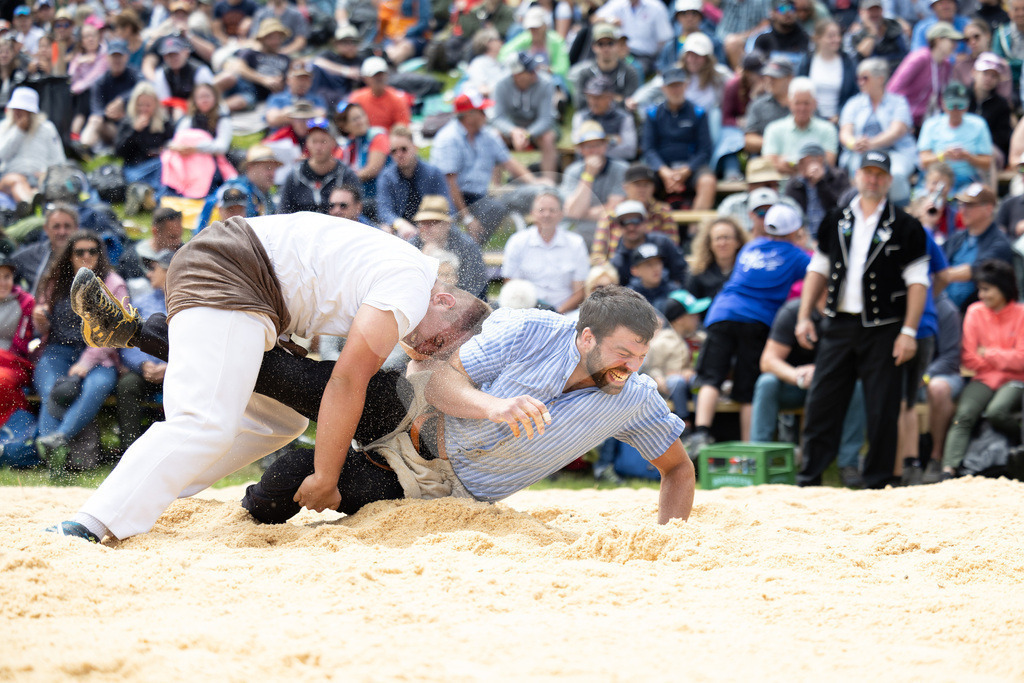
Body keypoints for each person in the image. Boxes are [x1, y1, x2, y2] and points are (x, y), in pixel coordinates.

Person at [51, 213, 492, 543]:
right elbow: (346, 383)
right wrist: (326, 477)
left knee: (281, 420)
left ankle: (148, 486)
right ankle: (90, 523)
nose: (424, 350)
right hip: (232, 272)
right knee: (204, 423)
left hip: (243, 278)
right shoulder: (410, 289)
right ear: (444, 302)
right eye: (438, 342)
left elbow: (314, 279)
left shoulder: (404, 266)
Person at [240, 285, 693, 525]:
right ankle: (205, 341)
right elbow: (438, 382)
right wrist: (492, 406)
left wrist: (670, 537)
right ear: (587, 337)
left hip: (430, 487)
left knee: (285, 479)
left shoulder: (636, 398)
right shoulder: (532, 329)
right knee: (283, 375)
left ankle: (252, 510)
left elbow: (678, 469)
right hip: (409, 410)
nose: (631, 367)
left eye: (640, 356)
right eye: (623, 353)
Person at [795, 151, 929, 489]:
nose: (873, 179)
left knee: (883, 407)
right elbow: (818, 268)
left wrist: (909, 331)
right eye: (867, 172)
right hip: (838, 324)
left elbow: (918, 282)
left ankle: (878, 481)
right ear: (856, 176)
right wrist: (803, 316)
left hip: (885, 329)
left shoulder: (907, 225)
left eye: (879, 174)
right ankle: (810, 478)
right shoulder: (835, 219)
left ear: (889, 180)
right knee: (822, 401)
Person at [686, 204, 811, 451]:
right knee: (748, 388)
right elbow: (819, 271)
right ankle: (750, 449)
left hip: (722, 313)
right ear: (795, 231)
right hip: (757, 321)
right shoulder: (798, 256)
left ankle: (701, 433)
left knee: (711, 377)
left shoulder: (751, 247)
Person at [750, 295, 866, 488]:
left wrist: (822, 374)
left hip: (834, 387)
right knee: (766, 382)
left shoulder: (852, 314)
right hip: (796, 387)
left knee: (857, 387)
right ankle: (757, 459)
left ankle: (849, 464)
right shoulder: (792, 312)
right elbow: (768, 361)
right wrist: (797, 375)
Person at [32, 232, 125, 465]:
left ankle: (58, 439)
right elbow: (42, 327)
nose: (86, 256)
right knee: (53, 390)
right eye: (79, 252)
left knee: (96, 386)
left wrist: (86, 362)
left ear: (100, 254)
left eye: (92, 251)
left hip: (100, 357)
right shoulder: (56, 282)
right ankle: (53, 457)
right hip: (58, 350)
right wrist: (40, 319)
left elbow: (115, 330)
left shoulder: (113, 284)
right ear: (69, 256)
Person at [941, 259, 1024, 479]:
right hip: (984, 378)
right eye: (980, 289)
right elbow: (969, 358)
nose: (982, 295)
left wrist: (988, 353)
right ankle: (949, 469)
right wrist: (1005, 356)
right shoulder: (975, 312)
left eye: (987, 289)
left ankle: (1018, 444)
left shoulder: (1021, 313)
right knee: (964, 414)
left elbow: (1021, 359)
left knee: (997, 411)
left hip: (1016, 380)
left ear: (1003, 287)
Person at [429, 92, 544, 244]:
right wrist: (468, 219)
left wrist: (535, 184)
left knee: (496, 208)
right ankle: (457, 249)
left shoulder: (487, 135)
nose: (485, 115)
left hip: (476, 196)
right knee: (448, 218)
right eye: (481, 111)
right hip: (446, 196)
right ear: (468, 115)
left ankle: (470, 250)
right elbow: (449, 183)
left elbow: (510, 163)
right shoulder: (448, 138)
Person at [838, 58, 919, 207]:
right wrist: (854, 143)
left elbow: (897, 131)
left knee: (896, 174)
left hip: (895, 152)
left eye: (865, 78)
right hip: (860, 153)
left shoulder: (898, 102)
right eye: (858, 78)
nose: (860, 82)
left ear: (880, 79)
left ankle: (900, 210)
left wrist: (870, 144)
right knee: (858, 172)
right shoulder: (853, 103)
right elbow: (845, 133)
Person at [116, 248, 172, 452]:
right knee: (127, 384)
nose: (148, 274)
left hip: (178, 373)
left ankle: (174, 450)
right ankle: (130, 450)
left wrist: (169, 367)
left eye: (154, 268)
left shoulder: (189, 304)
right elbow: (127, 340)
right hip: (145, 371)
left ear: (169, 271)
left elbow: (196, 345)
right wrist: (142, 364)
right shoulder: (141, 303)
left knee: (184, 385)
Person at [501, 189, 590, 313]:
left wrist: (557, 313)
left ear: (561, 214)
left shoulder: (576, 243)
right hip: (526, 312)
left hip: (566, 313)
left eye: (552, 210)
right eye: (541, 210)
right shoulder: (517, 242)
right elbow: (511, 286)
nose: (547, 214)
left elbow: (579, 292)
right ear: (532, 214)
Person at [641, 67, 716, 211]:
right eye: (671, 86)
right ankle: (649, 221)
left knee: (708, 182)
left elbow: (705, 150)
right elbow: (649, 149)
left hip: (691, 167)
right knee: (638, 181)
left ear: (686, 86)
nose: (675, 90)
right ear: (663, 88)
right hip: (661, 168)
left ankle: (695, 224)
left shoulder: (698, 112)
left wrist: (686, 171)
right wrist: (664, 172)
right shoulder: (653, 114)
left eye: (679, 85)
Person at [941, 183, 1014, 311]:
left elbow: (977, 270)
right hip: (947, 310)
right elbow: (935, 258)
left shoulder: (999, 243)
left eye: (969, 205)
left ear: (988, 209)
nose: (963, 211)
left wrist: (940, 275)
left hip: (980, 313)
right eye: (961, 205)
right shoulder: (957, 238)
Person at [590, 163, 678, 264]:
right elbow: (598, 253)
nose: (642, 189)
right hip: (618, 267)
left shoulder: (663, 212)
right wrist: (608, 269)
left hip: (654, 267)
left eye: (646, 185)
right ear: (625, 187)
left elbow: (672, 247)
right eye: (637, 185)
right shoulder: (611, 214)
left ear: (653, 187)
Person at [643, 288, 708, 425]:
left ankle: (700, 421)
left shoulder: (701, 339)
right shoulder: (662, 341)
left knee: (698, 381)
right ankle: (684, 421)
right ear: (679, 319)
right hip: (671, 388)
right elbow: (653, 367)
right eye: (693, 314)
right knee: (677, 382)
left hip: (694, 385)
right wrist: (659, 378)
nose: (698, 317)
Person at [492, 52, 558, 181]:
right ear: (516, 75)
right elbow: (498, 117)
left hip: (539, 128)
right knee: (495, 136)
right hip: (513, 126)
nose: (535, 72)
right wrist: (514, 131)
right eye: (530, 70)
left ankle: (549, 183)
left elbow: (546, 119)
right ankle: (496, 186)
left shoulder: (546, 83)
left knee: (548, 137)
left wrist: (527, 134)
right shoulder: (501, 84)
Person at [917, 81, 994, 193]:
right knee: (926, 198)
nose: (955, 110)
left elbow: (987, 163)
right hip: (936, 179)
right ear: (943, 104)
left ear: (967, 105)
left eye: (960, 105)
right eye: (951, 105)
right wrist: (944, 155)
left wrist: (968, 157)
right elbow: (923, 162)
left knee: (971, 197)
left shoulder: (978, 124)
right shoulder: (931, 124)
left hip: (967, 179)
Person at [374, 125, 449, 239]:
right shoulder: (386, 177)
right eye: (394, 151)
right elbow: (384, 210)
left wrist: (430, 226)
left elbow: (447, 206)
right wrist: (399, 223)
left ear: (415, 147)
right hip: (401, 232)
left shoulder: (433, 173)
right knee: (385, 229)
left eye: (404, 149)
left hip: (431, 226)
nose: (399, 154)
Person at [560, 120, 627, 247]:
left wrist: (583, 213)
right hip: (579, 228)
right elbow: (574, 212)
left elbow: (612, 209)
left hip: (609, 227)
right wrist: (588, 175)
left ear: (605, 146)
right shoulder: (572, 171)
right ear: (581, 150)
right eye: (588, 146)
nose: (593, 151)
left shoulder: (621, 169)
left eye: (597, 145)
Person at [0, 86, 64, 216]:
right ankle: (29, 206)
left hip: (39, 178)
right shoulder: (4, 127)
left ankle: (34, 203)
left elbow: (58, 159)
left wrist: (45, 174)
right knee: (16, 180)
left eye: (22, 110)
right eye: (16, 109)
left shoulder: (47, 128)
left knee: (49, 185)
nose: (18, 113)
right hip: (11, 177)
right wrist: (18, 131)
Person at [886, 22, 962, 130]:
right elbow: (893, 89)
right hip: (905, 122)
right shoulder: (920, 58)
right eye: (952, 41)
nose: (955, 45)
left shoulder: (946, 65)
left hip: (929, 122)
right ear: (938, 40)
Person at [409, 195, 487, 299]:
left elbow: (474, 287)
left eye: (432, 223)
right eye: (422, 223)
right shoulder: (412, 246)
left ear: (447, 224)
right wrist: (423, 258)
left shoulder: (466, 246)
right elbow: (407, 284)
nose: (426, 228)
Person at [278, 118, 360, 214]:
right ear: (307, 143)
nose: (318, 147)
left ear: (333, 142)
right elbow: (283, 212)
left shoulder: (347, 175)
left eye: (323, 141)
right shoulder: (294, 176)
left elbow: (357, 210)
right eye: (314, 141)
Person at [761, 77, 839, 177]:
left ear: (815, 103)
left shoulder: (828, 129)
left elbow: (828, 163)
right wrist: (811, 163)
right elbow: (769, 164)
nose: (802, 108)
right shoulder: (773, 129)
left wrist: (787, 162)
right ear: (789, 102)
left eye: (806, 103)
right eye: (797, 103)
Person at [196, 145, 281, 233]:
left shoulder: (264, 194)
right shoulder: (238, 190)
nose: (272, 174)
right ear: (250, 167)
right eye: (268, 168)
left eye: (274, 169)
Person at [608, 200, 688, 289]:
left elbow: (681, 273)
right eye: (624, 222)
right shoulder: (618, 261)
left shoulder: (663, 243)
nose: (631, 227)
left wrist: (675, 294)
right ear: (618, 226)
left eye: (636, 221)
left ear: (646, 222)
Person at [115, 82, 173, 204]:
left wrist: (162, 150)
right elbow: (119, 152)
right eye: (140, 105)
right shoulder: (127, 123)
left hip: (157, 167)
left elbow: (170, 145)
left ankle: (147, 197)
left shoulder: (164, 123)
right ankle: (151, 197)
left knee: (165, 162)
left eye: (148, 105)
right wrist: (134, 131)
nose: (144, 109)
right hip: (134, 168)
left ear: (155, 105)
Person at [216, 18, 291, 112]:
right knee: (228, 76)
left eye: (278, 37)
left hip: (255, 93)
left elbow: (289, 79)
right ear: (262, 38)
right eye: (271, 37)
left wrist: (279, 84)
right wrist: (264, 79)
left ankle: (213, 111)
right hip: (243, 82)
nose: (275, 41)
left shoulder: (285, 59)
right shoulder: (251, 53)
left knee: (244, 101)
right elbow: (239, 67)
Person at [79, 38, 139, 151]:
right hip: (111, 128)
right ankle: (83, 149)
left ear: (126, 57)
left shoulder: (135, 75)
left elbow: (146, 88)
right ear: (107, 58)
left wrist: (122, 100)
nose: (117, 60)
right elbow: (96, 110)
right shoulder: (100, 82)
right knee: (95, 120)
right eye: (113, 56)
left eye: (120, 56)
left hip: (134, 127)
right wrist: (109, 113)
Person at [783, 141, 850, 240]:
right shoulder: (794, 184)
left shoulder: (838, 177)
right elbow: (790, 212)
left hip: (834, 236)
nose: (798, 165)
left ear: (819, 159)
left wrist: (820, 183)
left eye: (802, 161)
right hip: (804, 239)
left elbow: (841, 209)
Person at [796, 19, 857, 124]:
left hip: (840, 120)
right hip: (810, 119)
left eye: (838, 35)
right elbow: (798, 88)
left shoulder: (848, 62)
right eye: (831, 36)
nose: (837, 39)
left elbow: (854, 93)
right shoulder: (807, 61)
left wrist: (840, 115)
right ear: (817, 38)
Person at [0, 254, 34, 433]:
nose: (2, 283)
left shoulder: (25, 302)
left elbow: (21, 346)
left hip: (13, 363)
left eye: (6, 277)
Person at [568, 22, 639, 108]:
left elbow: (630, 103)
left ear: (617, 45)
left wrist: (596, 98)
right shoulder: (585, 73)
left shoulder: (629, 72)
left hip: (620, 116)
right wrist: (615, 98)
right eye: (600, 44)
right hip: (591, 115)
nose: (606, 48)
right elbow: (579, 103)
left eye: (610, 43)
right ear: (593, 46)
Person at [11, 203, 76, 296]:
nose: (62, 232)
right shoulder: (30, 255)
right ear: (46, 229)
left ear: (76, 228)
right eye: (56, 226)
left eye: (67, 226)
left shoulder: (87, 254)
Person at [334, 101, 389, 208]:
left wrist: (345, 178)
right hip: (359, 199)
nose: (361, 121)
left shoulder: (378, 136)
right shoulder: (348, 144)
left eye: (362, 115)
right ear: (344, 126)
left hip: (378, 198)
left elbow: (372, 170)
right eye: (355, 119)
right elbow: (335, 168)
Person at [685, 216, 748, 302]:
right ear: (709, 244)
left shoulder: (747, 272)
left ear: (738, 242)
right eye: (717, 238)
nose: (722, 243)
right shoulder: (698, 273)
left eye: (726, 237)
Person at [967, 52, 1012, 166]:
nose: (989, 78)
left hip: (989, 150)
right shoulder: (962, 98)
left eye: (994, 76)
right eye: (985, 73)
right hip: (962, 146)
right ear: (974, 72)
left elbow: (1002, 137)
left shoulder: (1002, 105)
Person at [118, 207, 185, 283]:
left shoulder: (183, 254)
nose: (178, 242)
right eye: (172, 237)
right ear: (155, 232)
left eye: (180, 236)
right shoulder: (132, 259)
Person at [346, 56, 411, 131]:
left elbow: (403, 128)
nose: (379, 78)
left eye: (381, 74)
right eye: (374, 76)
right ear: (365, 78)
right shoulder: (356, 99)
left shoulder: (397, 99)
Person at [744, 58, 793, 157]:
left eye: (775, 77)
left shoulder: (803, 103)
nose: (770, 81)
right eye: (767, 77)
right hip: (766, 159)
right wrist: (774, 144)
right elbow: (748, 140)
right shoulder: (758, 105)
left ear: (789, 78)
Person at [843, 0, 908, 74]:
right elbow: (857, 60)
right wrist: (872, 33)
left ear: (882, 11)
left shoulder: (895, 28)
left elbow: (905, 56)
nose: (874, 13)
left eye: (877, 9)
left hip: (896, 74)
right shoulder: (854, 35)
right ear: (861, 13)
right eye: (870, 10)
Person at [752, 0, 811, 70]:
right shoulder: (763, 40)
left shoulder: (804, 38)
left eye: (792, 8)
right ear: (773, 13)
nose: (788, 13)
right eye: (782, 8)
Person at [626, 243, 673, 310]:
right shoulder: (629, 297)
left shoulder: (674, 292)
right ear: (635, 271)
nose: (655, 268)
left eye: (657, 263)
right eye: (649, 265)